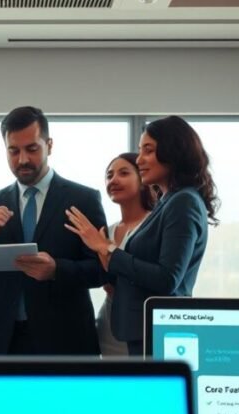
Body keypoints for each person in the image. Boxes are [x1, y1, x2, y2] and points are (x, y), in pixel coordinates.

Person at [0, 106, 108, 355]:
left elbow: (101, 271)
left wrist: (56, 270)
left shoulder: (83, 199)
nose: (23, 160)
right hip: (0, 343)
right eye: (13, 151)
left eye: (32, 149)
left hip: (65, 341)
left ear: (49, 145)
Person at [66, 115, 219, 357]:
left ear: (173, 151)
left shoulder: (183, 202)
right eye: (139, 151)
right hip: (141, 330)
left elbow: (168, 278)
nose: (140, 159)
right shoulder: (168, 201)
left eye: (148, 150)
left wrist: (107, 249)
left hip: (158, 331)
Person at [95, 153, 156, 357]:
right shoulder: (105, 232)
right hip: (108, 322)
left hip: (141, 326)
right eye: (109, 175)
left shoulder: (153, 225)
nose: (114, 180)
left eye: (123, 173)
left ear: (142, 180)